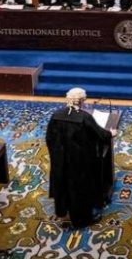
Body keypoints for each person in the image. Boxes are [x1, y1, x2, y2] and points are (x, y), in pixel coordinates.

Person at [46, 88, 115, 228]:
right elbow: (100, 135)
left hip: (59, 160)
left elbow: (49, 138)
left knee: (62, 183)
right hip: (79, 161)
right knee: (79, 188)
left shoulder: (56, 115)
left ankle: (62, 211)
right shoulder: (84, 117)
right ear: (82, 101)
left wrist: (57, 155)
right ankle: (82, 220)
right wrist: (111, 133)